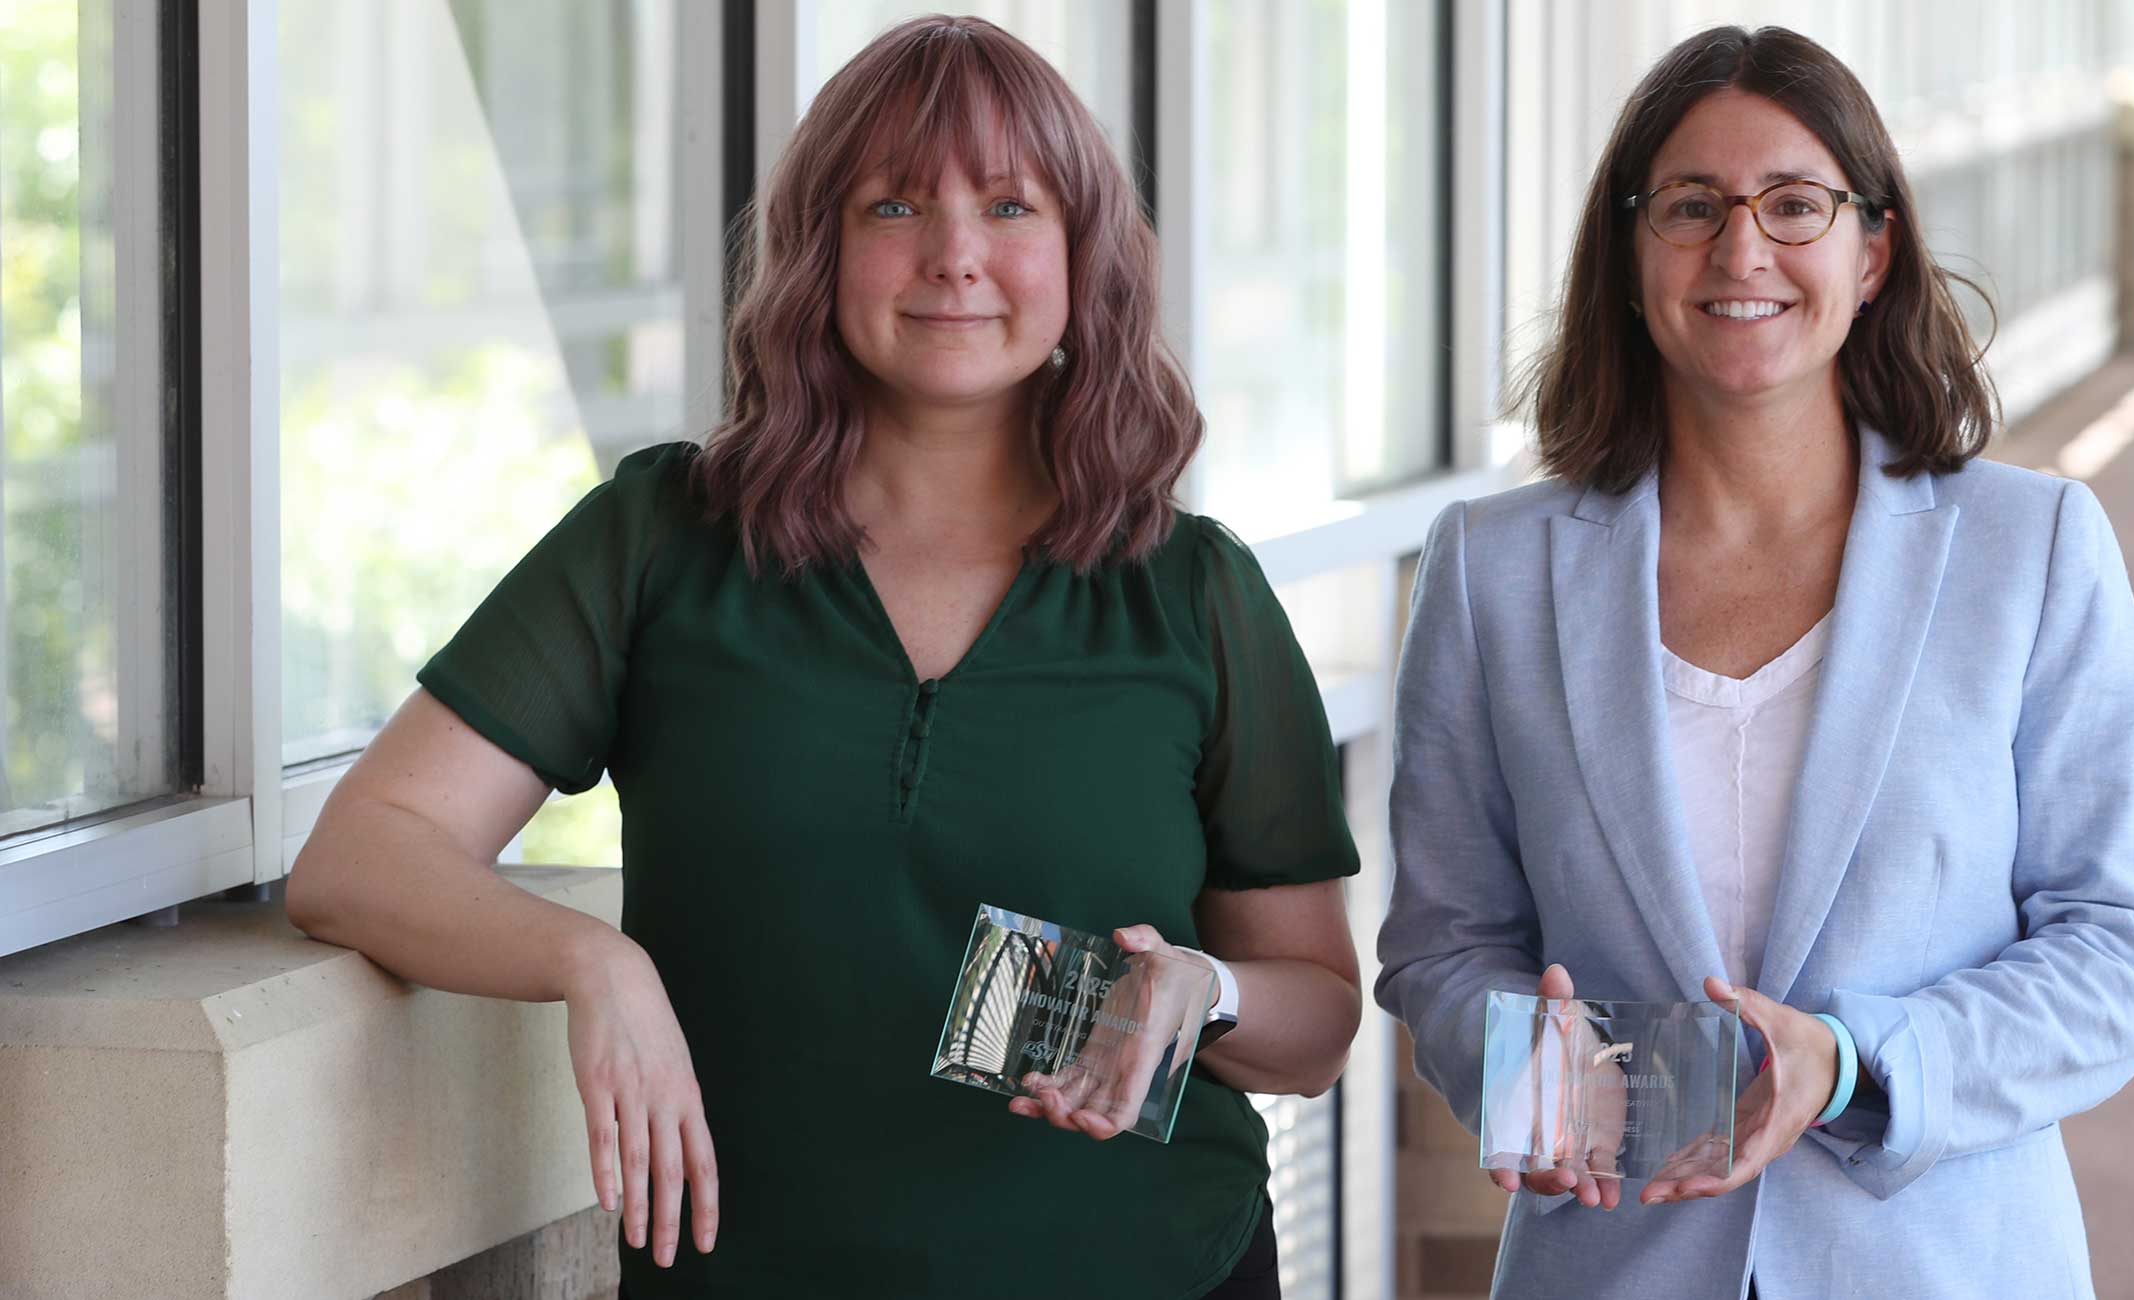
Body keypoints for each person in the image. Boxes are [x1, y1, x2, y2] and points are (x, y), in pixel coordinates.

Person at [286, 16, 1362, 1299]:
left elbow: (1317, 1023)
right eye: (894, 203)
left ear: (1081, 258)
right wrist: (594, 963)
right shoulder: (659, 543)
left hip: (1153, 1266)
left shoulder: (1193, 594)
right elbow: (361, 856)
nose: (954, 256)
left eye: (1010, 205)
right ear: (822, 251)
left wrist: (1207, 988)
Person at [1374, 25, 2134, 1300]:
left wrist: (1857, 1063)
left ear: (1871, 252)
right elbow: (1443, 939)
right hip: (1611, 1256)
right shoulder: (1492, 569)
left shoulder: (2028, 550)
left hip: (1940, 1262)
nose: (1740, 249)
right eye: (1691, 206)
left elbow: (2124, 945)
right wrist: (1514, 1059)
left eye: (1793, 205)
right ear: (1631, 252)